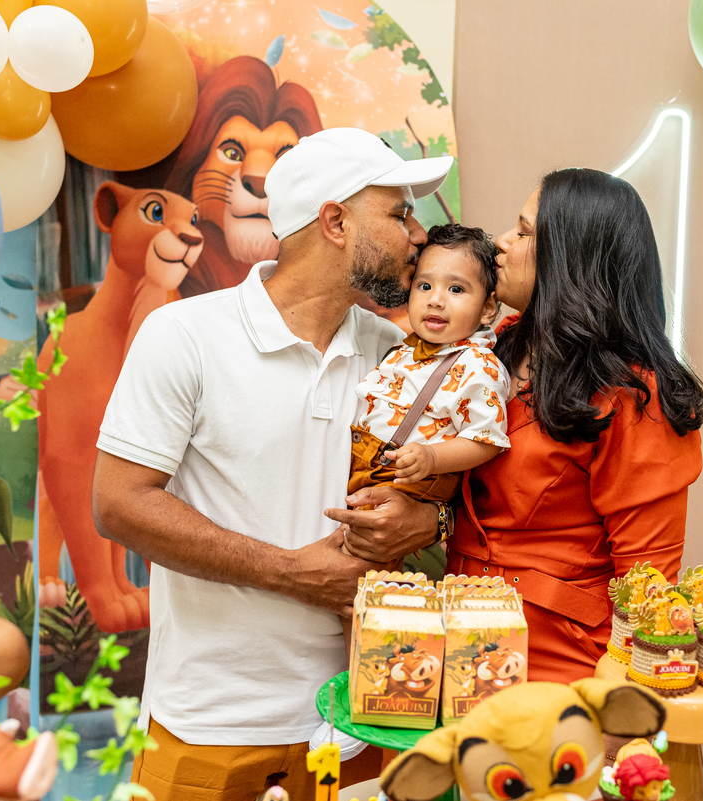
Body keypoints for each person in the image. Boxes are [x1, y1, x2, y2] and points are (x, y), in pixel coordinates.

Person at [91, 127, 454, 801]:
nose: (417, 233)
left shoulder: (397, 354)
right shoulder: (185, 336)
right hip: (209, 725)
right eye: (399, 212)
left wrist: (426, 518)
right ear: (335, 220)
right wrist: (292, 573)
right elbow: (119, 503)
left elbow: (448, 487)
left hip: (359, 722)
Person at [445, 168, 703, 684]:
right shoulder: (492, 350)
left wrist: (613, 714)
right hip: (457, 640)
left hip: (560, 669)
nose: (501, 242)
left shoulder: (634, 396)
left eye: (523, 232)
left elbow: (647, 585)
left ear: (570, 261)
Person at [341, 223, 510, 651]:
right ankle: (361, 670)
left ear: (488, 308)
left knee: (378, 595)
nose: (436, 299)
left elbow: (487, 439)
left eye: (456, 290)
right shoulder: (403, 347)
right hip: (368, 470)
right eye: (425, 285)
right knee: (353, 592)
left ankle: (380, 675)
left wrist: (433, 458)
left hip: (412, 485)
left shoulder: (478, 365)